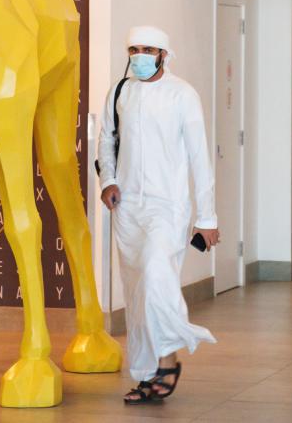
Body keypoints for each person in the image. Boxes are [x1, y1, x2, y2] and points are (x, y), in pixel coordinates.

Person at [97, 25, 220, 404]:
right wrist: (109, 182)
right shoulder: (120, 91)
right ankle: (147, 373)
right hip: (128, 207)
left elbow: (200, 157)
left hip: (168, 206)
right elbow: (106, 139)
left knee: (155, 275)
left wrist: (208, 218)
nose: (139, 55)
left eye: (148, 48)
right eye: (134, 48)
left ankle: (168, 357)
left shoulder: (183, 94)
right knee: (135, 291)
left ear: (164, 54)